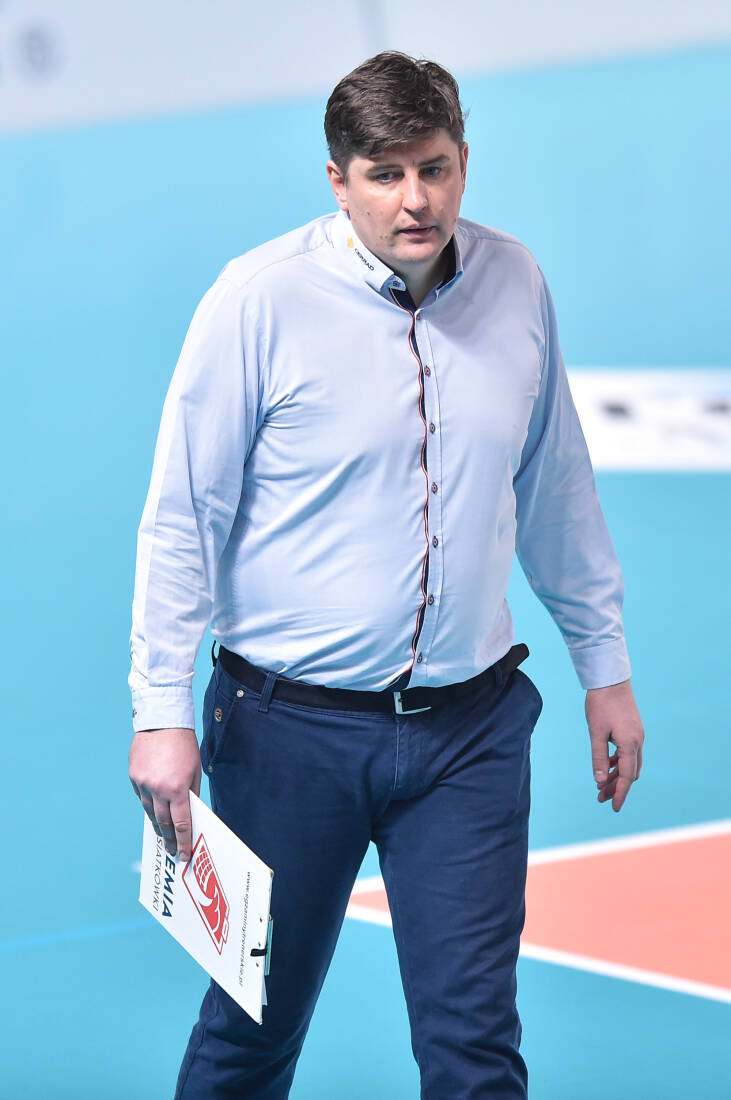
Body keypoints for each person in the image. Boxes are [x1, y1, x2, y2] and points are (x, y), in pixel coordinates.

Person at [128, 51, 644, 1099]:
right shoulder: (256, 302)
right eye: (384, 174)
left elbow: (554, 486)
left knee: (475, 1049)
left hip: (468, 734)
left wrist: (605, 666)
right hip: (285, 737)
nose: (416, 201)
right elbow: (183, 518)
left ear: (463, 162)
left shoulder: (516, 282)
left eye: (434, 168)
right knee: (249, 1037)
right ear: (337, 178)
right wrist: (160, 711)